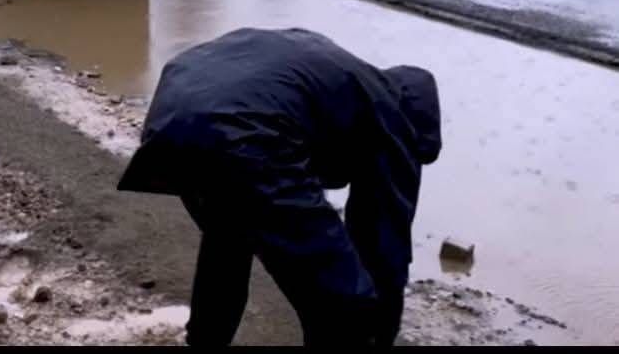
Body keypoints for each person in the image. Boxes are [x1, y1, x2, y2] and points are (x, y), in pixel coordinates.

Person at [118, 28, 441, 347]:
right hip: (247, 134)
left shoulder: (336, 74)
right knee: (345, 303)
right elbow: (385, 249)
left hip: (173, 114)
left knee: (228, 239)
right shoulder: (391, 116)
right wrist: (379, 331)